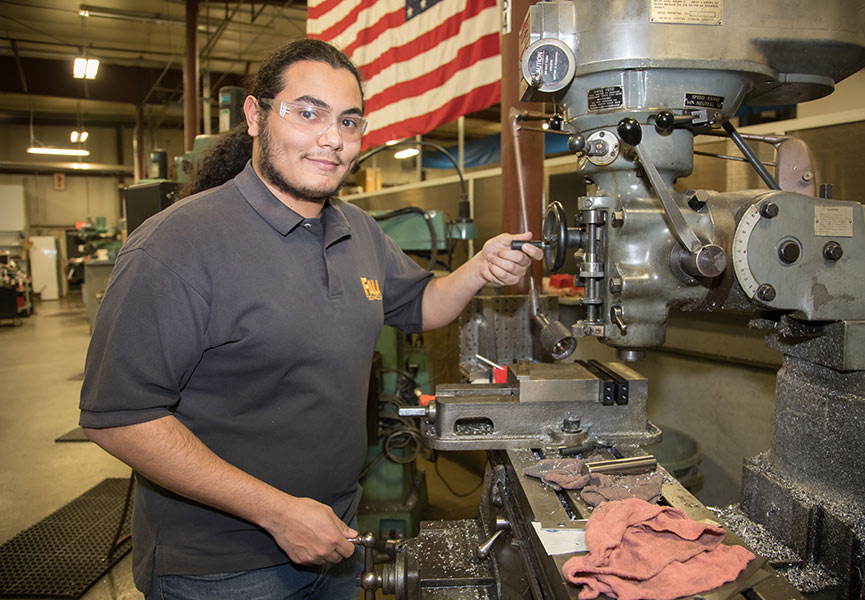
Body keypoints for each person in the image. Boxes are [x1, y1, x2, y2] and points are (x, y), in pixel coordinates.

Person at [79, 38, 542, 599]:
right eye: (308, 112)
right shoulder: (176, 247)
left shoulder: (357, 230)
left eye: (349, 121)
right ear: (255, 116)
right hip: (223, 566)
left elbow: (422, 305)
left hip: (335, 537)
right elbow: (118, 418)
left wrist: (478, 268)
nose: (332, 139)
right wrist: (276, 512)